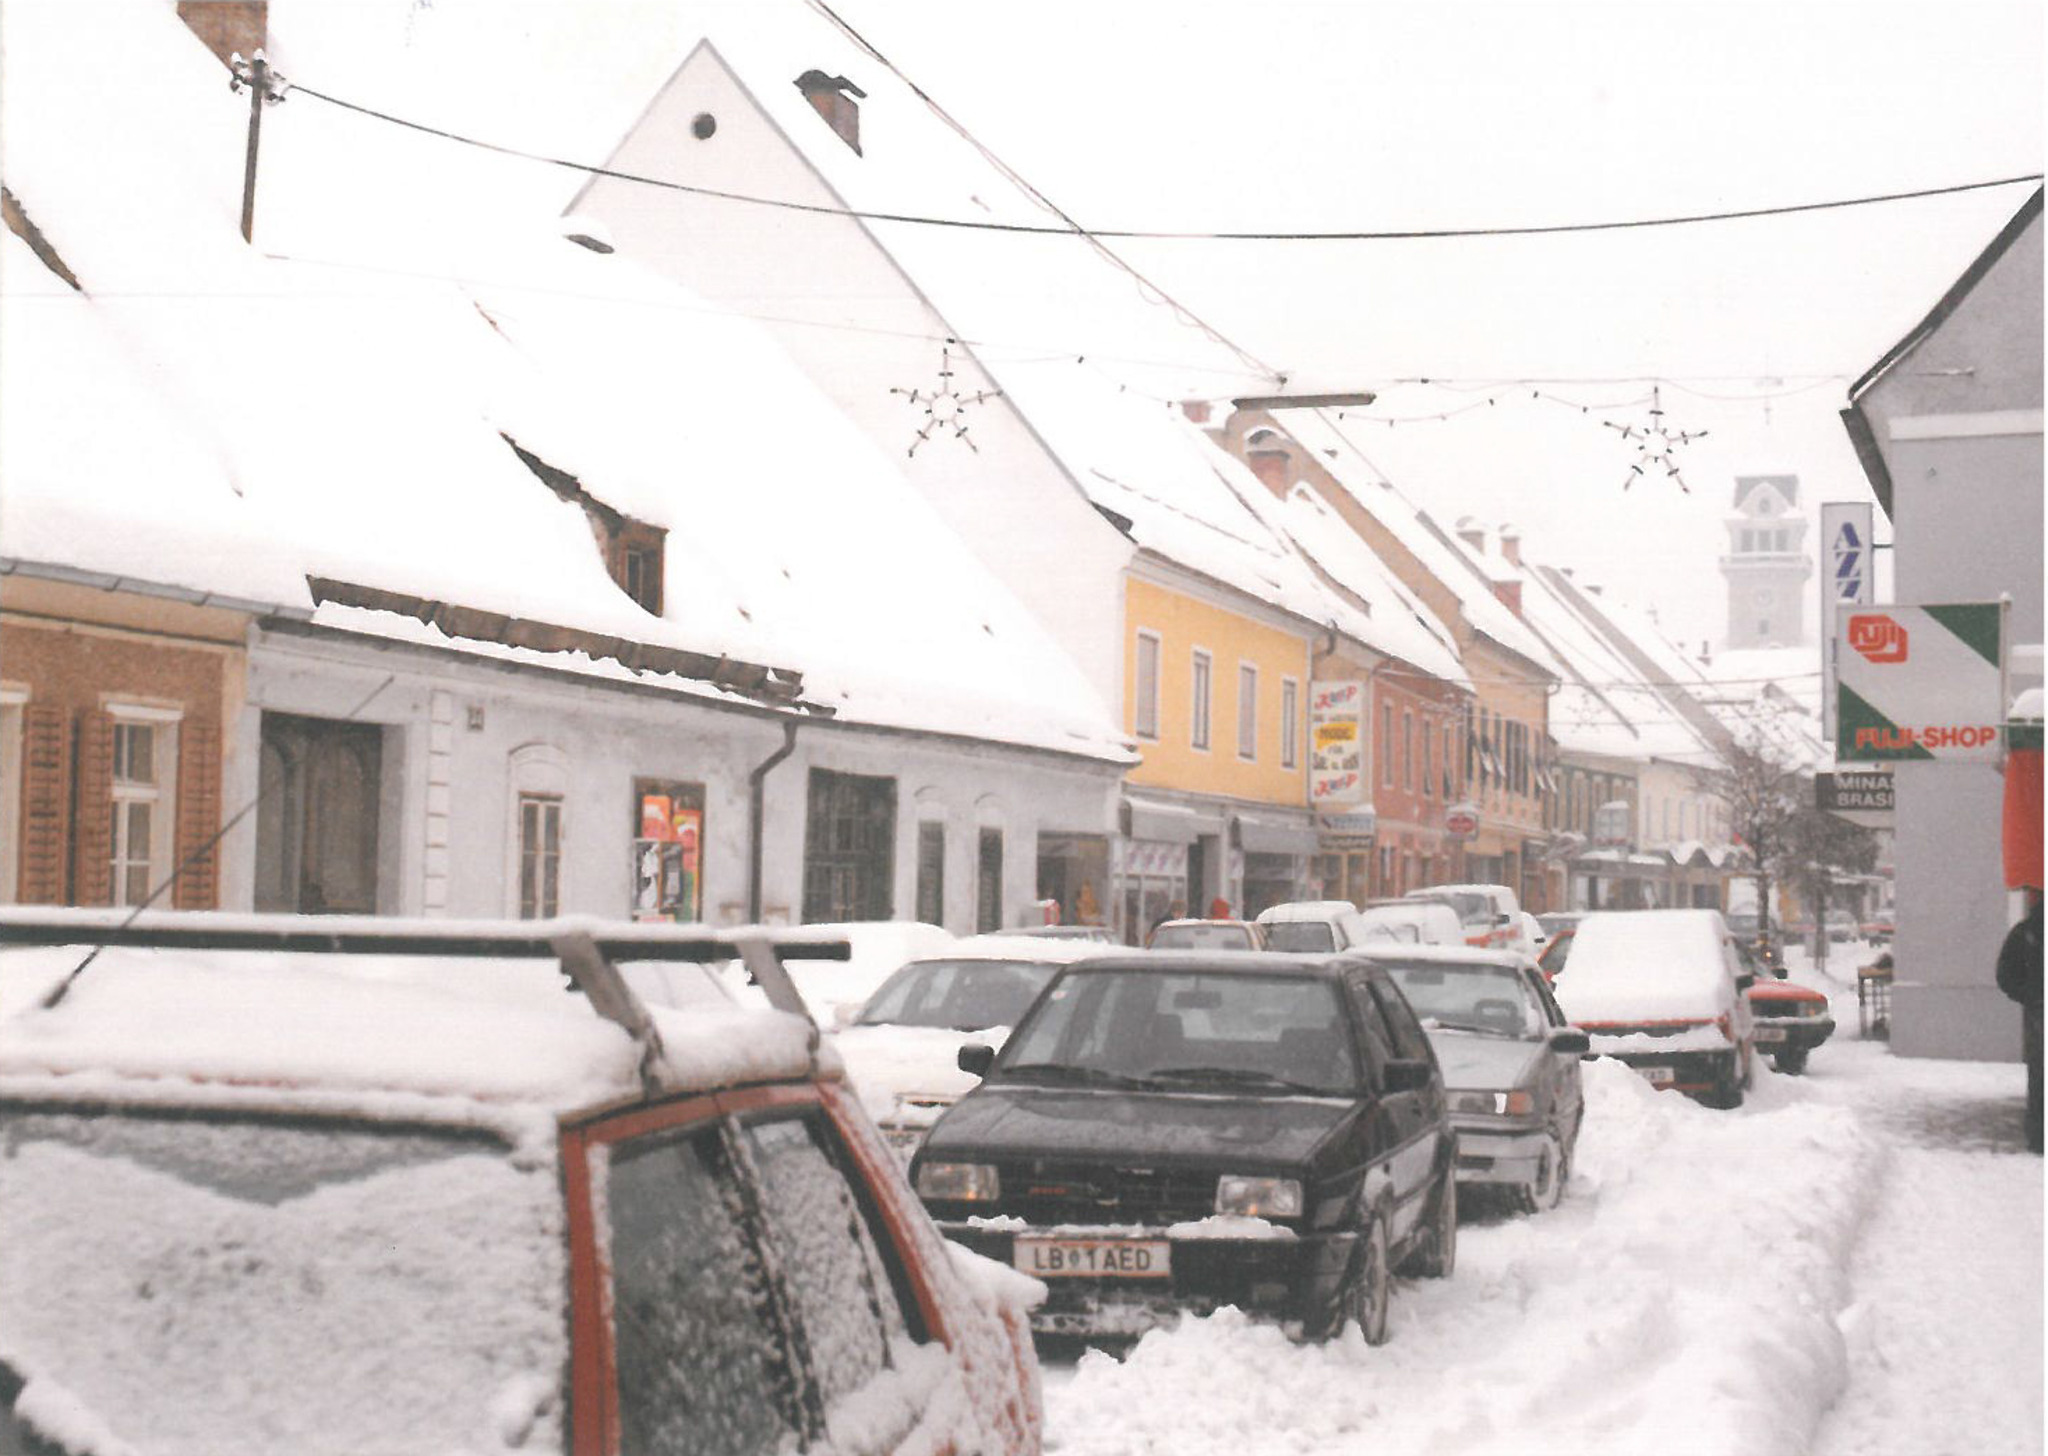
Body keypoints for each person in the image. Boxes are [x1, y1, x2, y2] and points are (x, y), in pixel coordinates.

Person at [1995, 887, 2043, 1154]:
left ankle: (2039, 1138)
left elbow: (2005, 974)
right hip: (2039, 1010)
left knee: (2039, 1076)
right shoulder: (2027, 933)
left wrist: (2029, 996)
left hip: (2038, 1011)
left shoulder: (2025, 932)